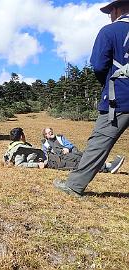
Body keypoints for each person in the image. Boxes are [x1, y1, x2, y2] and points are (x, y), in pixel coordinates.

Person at [54, 0, 128, 197]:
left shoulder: (109, 31)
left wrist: (108, 84)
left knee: (99, 142)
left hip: (118, 98)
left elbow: (98, 65)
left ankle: (74, 185)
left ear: (117, 9)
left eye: (109, 12)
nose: (109, 16)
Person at [42, 127, 123, 172]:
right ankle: (108, 166)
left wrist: (67, 148)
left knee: (86, 157)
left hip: (70, 153)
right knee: (84, 161)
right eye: (48, 133)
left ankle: (107, 167)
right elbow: (46, 156)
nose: (51, 133)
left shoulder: (60, 137)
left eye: (51, 131)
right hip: (62, 157)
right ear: (45, 135)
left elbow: (70, 145)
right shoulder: (45, 144)